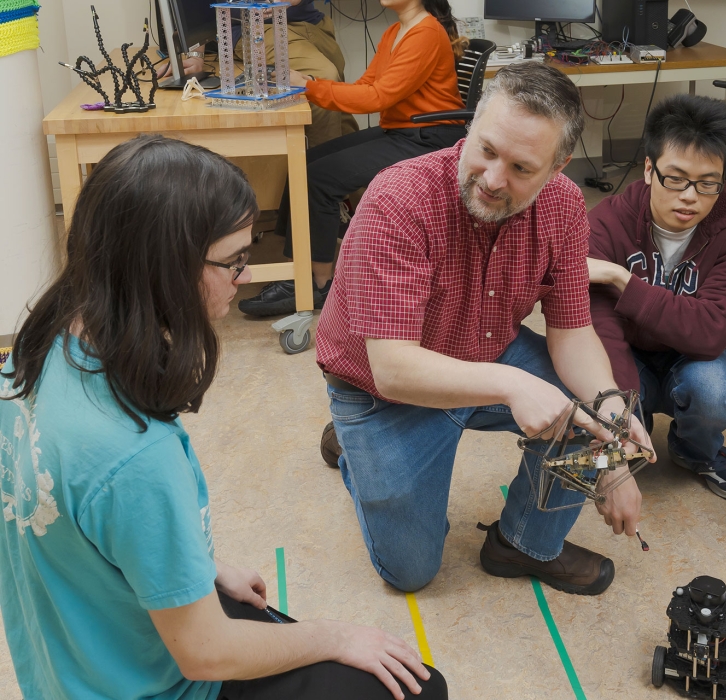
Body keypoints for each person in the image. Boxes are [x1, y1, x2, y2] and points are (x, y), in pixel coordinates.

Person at [0, 135, 445, 700]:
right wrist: (333, 635)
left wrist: (197, 569)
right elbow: (206, 653)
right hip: (155, 683)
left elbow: (84, 526)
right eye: (234, 260)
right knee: (419, 690)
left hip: (73, 666)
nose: (247, 277)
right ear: (164, 265)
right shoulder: (131, 452)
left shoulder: (34, 354)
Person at [315, 62, 656, 596]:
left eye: (522, 167)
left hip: (485, 349)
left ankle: (523, 543)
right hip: (381, 388)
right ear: (470, 127)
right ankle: (357, 447)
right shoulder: (397, 200)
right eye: (487, 151)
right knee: (411, 571)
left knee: (594, 406)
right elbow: (393, 368)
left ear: (558, 166)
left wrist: (609, 422)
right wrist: (512, 383)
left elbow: (572, 331)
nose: (495, 180)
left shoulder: (564, 204)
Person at [587, 95, 726, 502]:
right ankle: (635, 427)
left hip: (692, 357)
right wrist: (623, 417)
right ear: (649, 169)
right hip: (629, 351)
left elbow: (712, 330)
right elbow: (600, 329)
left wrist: (623, 280)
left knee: (713, 389)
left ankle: (695, 451)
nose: (690, 196)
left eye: (709, 183)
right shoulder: (605, 222)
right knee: (590, 386)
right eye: (676, 178)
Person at [238, 0, 469, 317]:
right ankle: (300, 268)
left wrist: (310, 87)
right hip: (404, 129)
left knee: (317, 180)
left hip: (429, 137)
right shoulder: (395, 31)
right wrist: (310, 85)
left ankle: (319, 285)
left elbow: (378, 97)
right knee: (304, 163)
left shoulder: (426, 33)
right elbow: (365, 86)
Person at [161, 0, 358, 146]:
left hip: (312, 24)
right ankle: (322, 192)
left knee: (340, 105)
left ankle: (357, 195)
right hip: (256, 29)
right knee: (323, 77)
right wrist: (195, 54)